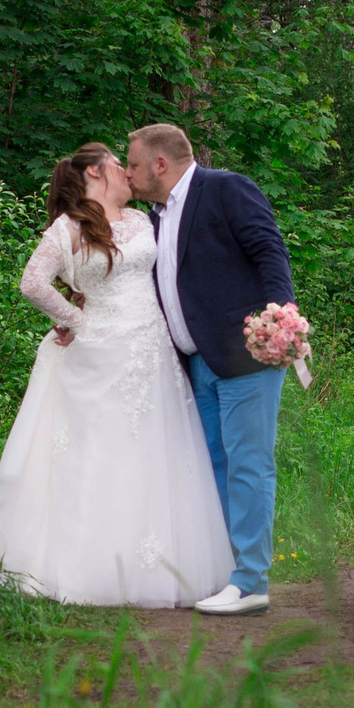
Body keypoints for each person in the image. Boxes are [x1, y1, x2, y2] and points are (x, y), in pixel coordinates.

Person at [0, 142, 235, 606]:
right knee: (101, 454)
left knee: (154, 452)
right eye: (120, 165)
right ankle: (90, 565)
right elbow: (32, 282)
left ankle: (161, 565)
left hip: (152, 351)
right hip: (101, 351)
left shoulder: (143, 221)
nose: (128, 172)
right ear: (96, 172)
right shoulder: (69, 228)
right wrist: (76, 320)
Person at [123, 121, 292, 617]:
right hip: (196, 361)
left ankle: (251, 581)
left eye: (133, 164)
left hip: (246, 353)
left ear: (160, 163)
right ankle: (228, 572)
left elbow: (269, 251)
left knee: (248, 465)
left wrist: (278, 319)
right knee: (213, 466)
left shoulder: (225, 189)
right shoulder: (152, 218)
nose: (128, 174)